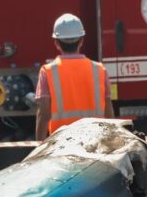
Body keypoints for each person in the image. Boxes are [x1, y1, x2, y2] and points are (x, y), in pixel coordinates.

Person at [35, 13, 113, 141]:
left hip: (61, 145)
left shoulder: (47, 72)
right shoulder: (99, 70)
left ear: (56, 43)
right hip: (95, 144)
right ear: (81, 40)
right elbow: (109, 113)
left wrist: (39, 148)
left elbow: (44, 114)